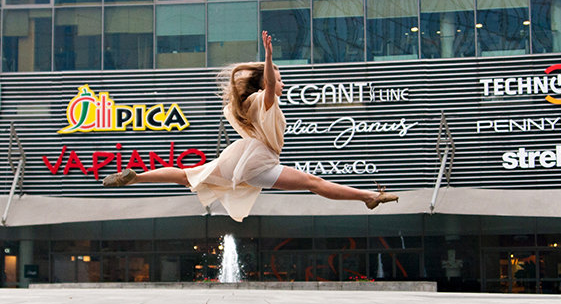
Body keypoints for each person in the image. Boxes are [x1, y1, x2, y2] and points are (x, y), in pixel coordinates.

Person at [101, 31, 398, 222]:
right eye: (280, 79)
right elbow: (269, 85)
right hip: (258, 161)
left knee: (186, 175)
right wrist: (269, 59)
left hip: (238, 157)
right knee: (314, 183)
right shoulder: (262, 100)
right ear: (266, 81)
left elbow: (268, 85)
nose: (282, 83)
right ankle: (368, 196)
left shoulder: (244, 105)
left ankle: (137, 176)